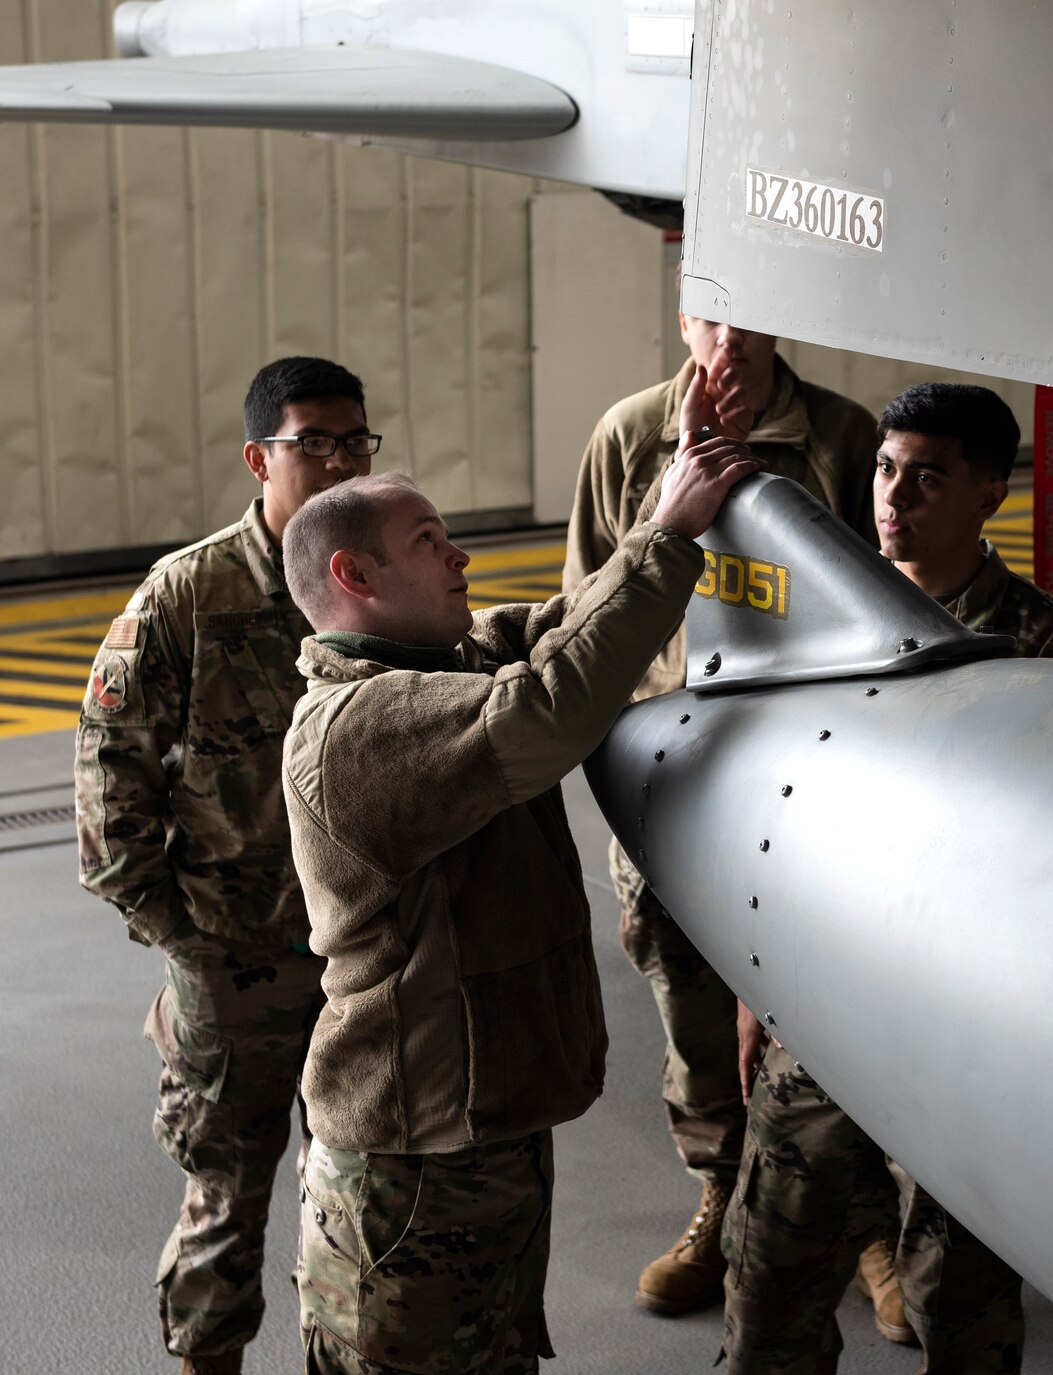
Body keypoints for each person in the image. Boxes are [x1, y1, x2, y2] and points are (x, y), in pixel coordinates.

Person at [280, 388, 755, 1374]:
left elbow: (566, 625)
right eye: (428, 542)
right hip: (412, 1166)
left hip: (475, 1139)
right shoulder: (360, 728)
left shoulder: (439, 661)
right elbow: (548, 705)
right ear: (353, 573)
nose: (459, 559)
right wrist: (665, 535)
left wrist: (672, 492)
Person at [723, 383, 1053, 1374]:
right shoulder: (822, 620)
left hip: (955, 1019)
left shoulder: (1040, 646)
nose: (894, 495)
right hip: (819, 987)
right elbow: (780, 803)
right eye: (886, 470)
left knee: (960, 1290)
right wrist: (757, 979)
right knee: (771, 1272)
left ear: (989, 493)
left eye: (927, 476)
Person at [563, 311, 886, 1318]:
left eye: (750, 317)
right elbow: (586, 602)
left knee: (832, 1010)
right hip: (676, 778)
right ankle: (719, 1194)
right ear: (680, 314)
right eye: (709, 314)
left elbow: (880, 598)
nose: (728, 338)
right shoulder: (629, 436)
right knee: (692, 1012)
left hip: (809, 788)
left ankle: (865, 1223)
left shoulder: (839, 437)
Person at [75, 356, 376, 1375]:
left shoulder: (375, 575)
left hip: (365, 954)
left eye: (354, 442)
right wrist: (183, 935)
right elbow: (108, 777)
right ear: (259, 457)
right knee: (228, 1196)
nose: (338, 463)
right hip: (234, 956)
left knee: (360, 1196)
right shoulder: (190, 594)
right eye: (313, 444)